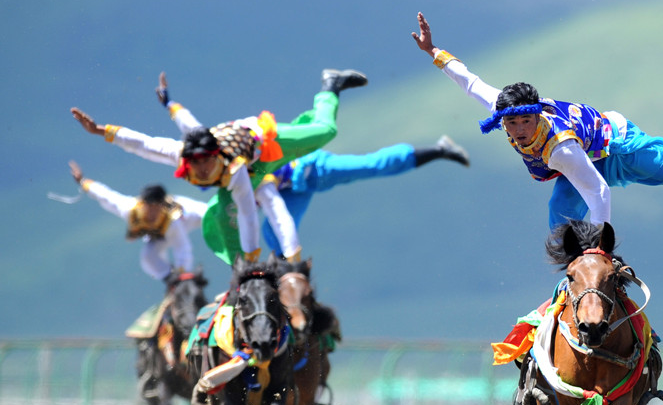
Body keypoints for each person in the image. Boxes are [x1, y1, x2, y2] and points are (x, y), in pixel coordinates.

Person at [411, 12, 663, 230]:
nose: (515, 130)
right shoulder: (505, 109)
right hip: (583, 159)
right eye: (509, 124)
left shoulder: (559, 146)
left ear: (536, 116)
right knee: (560, 223)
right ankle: (565, 298)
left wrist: (602, 247)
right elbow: (470, 82)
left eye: (523, 123)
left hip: (618, 146)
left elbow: (599, 193)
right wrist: (433, 51)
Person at [71, 68, 367, 264]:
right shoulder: (183, 153)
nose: (200, 169)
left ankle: (330, 86)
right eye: (196, 162)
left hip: (266, 148)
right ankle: (243, 276)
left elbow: (250, 215)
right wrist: (101, 130)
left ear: (215, 156)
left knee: (326, 132)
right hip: (237, 179)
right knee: (225, 226)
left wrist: (257, 253)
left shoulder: (233, 167)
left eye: (206, 161)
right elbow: (145, 143)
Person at [257, 139, 470, 255]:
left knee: (372, 165)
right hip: (294, 188)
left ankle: (440, 149)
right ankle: (284, 283)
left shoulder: (250, 172)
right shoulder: (236, 188)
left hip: (315, 169)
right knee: (271, 232)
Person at [68, 160, 206, 281]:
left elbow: (182, 247)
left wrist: (183, 274)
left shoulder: (172, 219)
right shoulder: (130, 209)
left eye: (156, 207)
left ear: (162, 206)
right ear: (142, 204)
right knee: (148, 256)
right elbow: (106, 196)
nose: (152, 211)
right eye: (148, 206)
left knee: (212, 216)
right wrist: (83, 181)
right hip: (159, 236)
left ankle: (180, 280)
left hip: (191, 216)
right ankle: (170, 279)